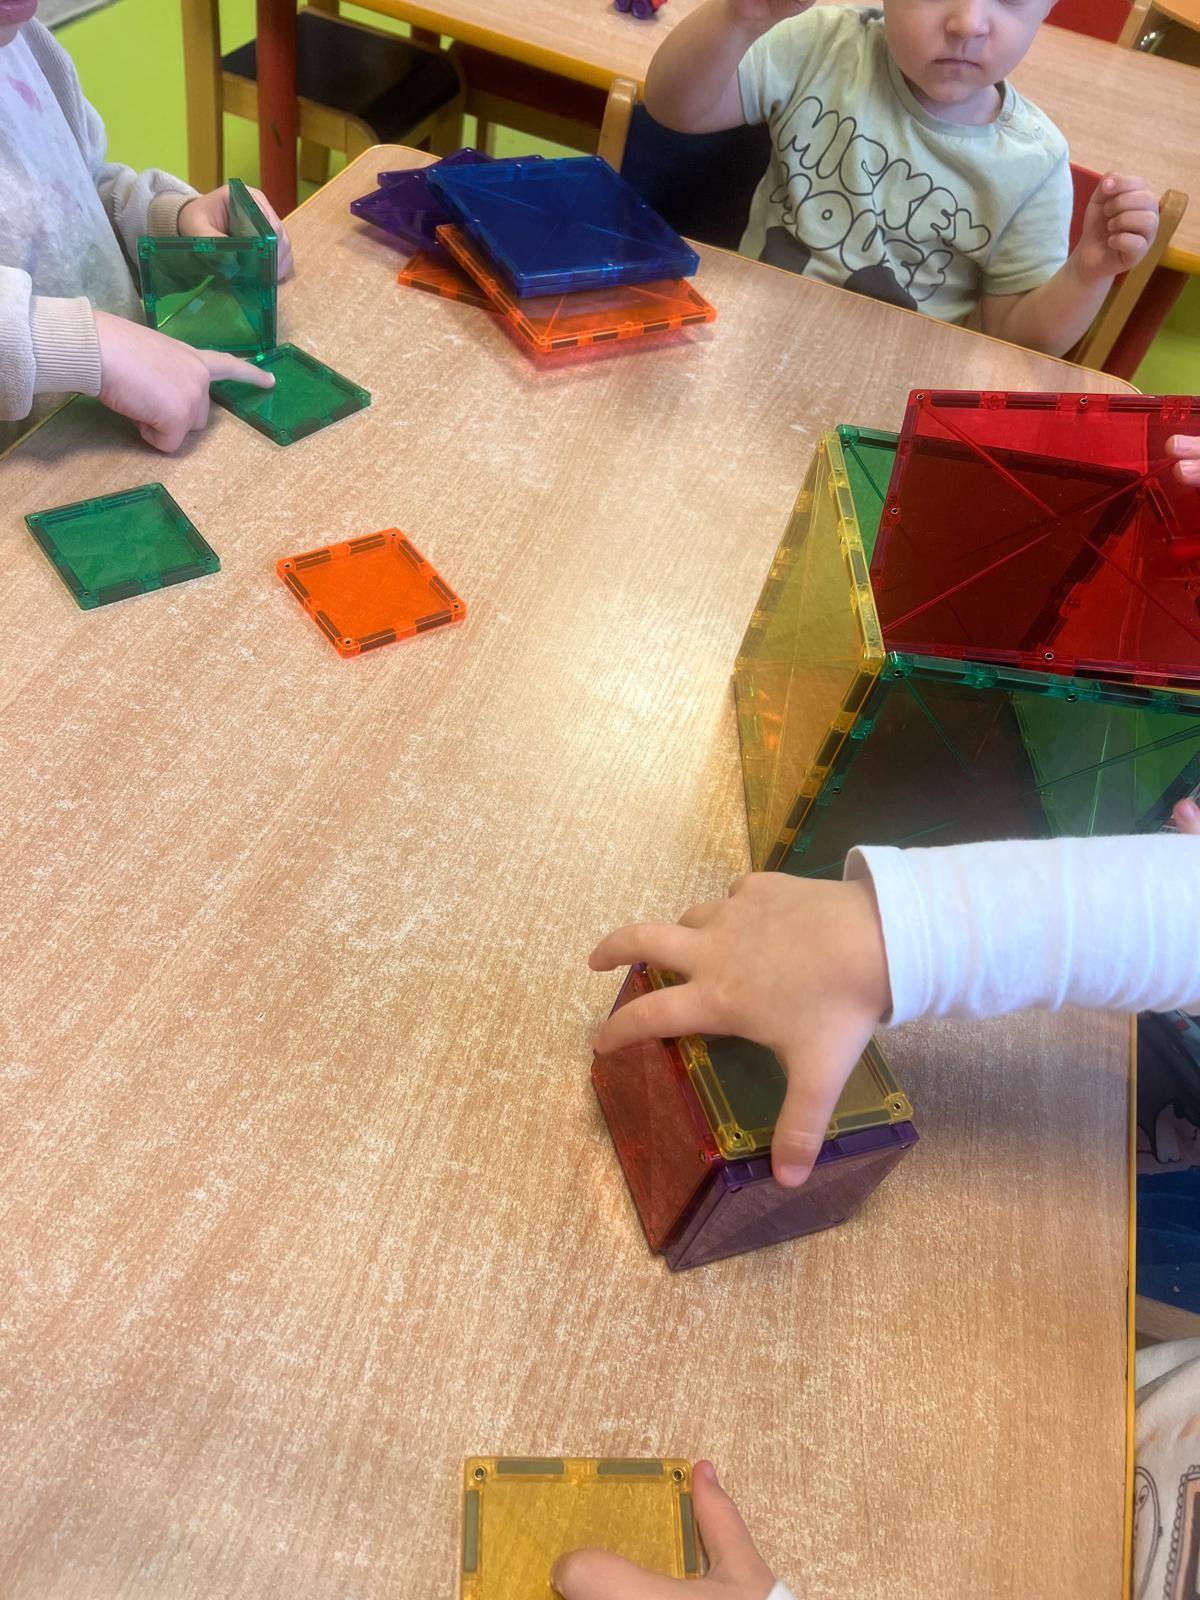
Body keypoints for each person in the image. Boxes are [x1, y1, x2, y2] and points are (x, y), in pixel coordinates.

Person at [642, 0, 1159, 357]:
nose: (968, 23)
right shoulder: (822, 46)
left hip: (890, 399)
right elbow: (674, 107)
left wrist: (1087, 273)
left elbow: (1018, 339)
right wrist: (737, 18)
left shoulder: (1034, 163)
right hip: (745, 339)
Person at [0, 2, 293, 454]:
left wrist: (172, 221)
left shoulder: (24, 42)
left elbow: (76, 195)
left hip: (109, 436)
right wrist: (83, 345)